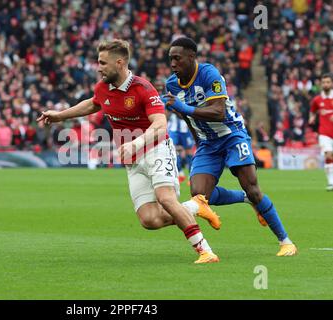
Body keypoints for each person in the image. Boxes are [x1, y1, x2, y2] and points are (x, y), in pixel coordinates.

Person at [37, 39, 221, 264]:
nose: (98, 67)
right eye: (98, 62)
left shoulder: (143, 88)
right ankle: (195, 206)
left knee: (166, 199)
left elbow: (160, 124)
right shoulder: (103, 87)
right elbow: (93, 103)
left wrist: (136, 143)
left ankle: (205, 251)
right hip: (133, 160)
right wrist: (59, 115)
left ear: (120, 63)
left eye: (103, 63)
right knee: (149, 220)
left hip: (156, 150)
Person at [162, 37, 297, 257]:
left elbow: (219, 112)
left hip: (232, 135)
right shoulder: (171, 84)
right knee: (199, 195)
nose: (173, 64)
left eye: (177, 58)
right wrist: (198, 141)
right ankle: (245, 199)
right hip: (208, 142)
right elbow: (186, 117)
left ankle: (286, 242)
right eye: (170, 59)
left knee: (252, 188)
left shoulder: (209, 74)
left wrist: (184, 108)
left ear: (191, 57)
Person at [309, 73, 333, 191]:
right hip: (324, 133)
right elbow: (313, 110)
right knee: (328, 154)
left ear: (332, 83)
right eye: (324, 82)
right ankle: (331, 182)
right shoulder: (317, 100)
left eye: (328, 82)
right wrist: (312, 117)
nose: (326, 84)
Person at [167, 112, 195, 183]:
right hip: (174, 131)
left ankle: (191, 176)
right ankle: (180, 173)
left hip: (186, 130)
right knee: (172, 150)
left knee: (188, 151)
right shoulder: (168, 101)